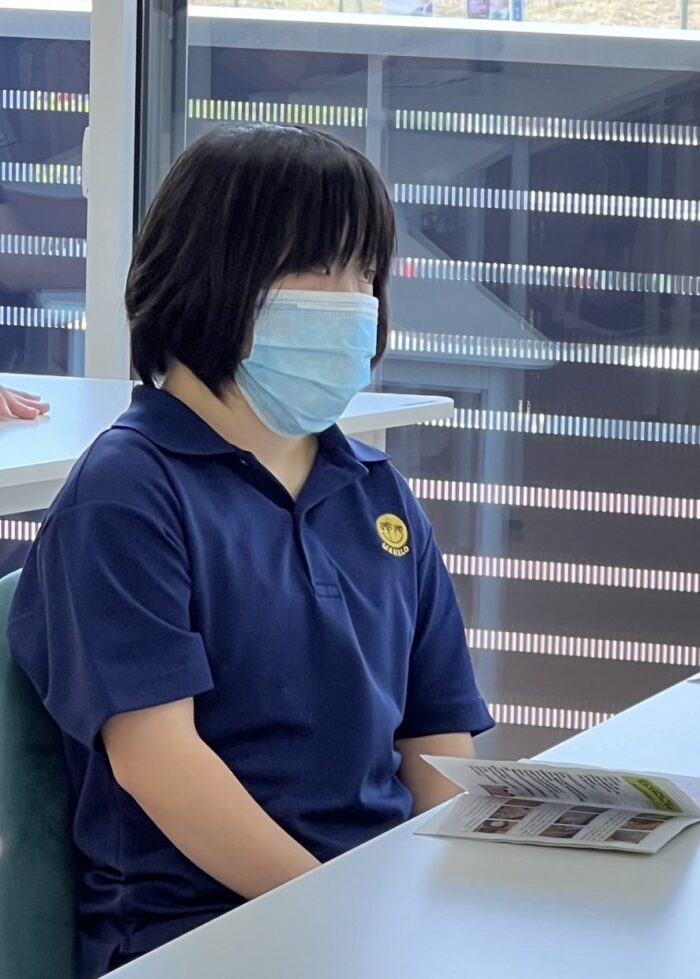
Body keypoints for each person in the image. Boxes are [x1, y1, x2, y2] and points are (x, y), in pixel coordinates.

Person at [8, 123, 493, 978]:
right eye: (319, 267)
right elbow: (161, 763)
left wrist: (446, 899)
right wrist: (342, 916)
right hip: (193, 936)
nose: (353, 299)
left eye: (366, 271)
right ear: (213, 273)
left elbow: (435, 740)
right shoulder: (125, 494)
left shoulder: (377, 491)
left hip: (367, 921)